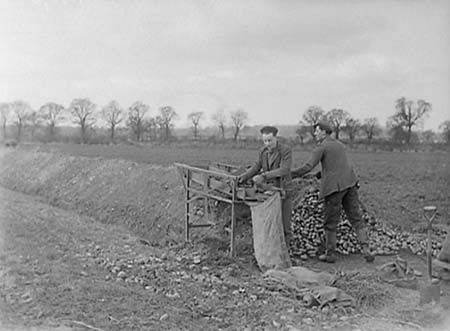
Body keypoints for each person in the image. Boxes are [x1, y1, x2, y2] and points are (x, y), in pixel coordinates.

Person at [291, 121, 374, 263]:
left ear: (323, 132)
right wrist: (319, 174)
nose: (315, 133)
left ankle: (330, 254)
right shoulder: (339, 145)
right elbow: (336, 164)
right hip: (351, 183)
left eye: (317, 131)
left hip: (334, 187)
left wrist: (291, 175)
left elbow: (308, 166)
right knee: (356, 217)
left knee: (331, 221)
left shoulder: (321, 147)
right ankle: (366, 249)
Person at [238, 126, 293, 247]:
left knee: (284, 223)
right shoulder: (263, 151)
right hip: (269, 190)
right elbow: (257, 166)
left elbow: (284, 170)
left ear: (276, 138)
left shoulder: (285, 150)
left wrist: (263, 176)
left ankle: (287, 252)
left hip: (283, 189)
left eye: (270, 140)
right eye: (265, 141)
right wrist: (244, 176)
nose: (267, 143)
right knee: (270, 222)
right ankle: (271, 249)